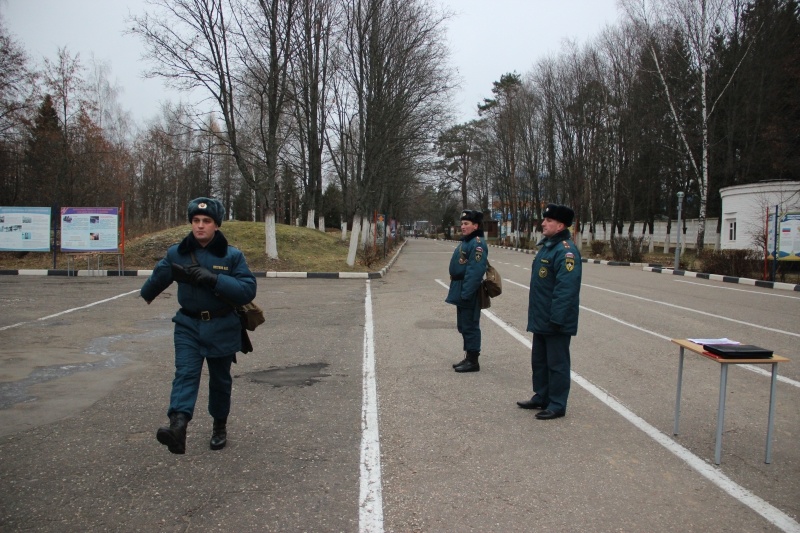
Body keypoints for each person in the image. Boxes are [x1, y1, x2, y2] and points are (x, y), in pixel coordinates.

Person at [141, 197, 256, 454]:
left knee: (219, 381)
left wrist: (215, 279)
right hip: (188, 325)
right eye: (196, 221)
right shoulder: (177, 252)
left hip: (222, 325)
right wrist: (147, 293)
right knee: (185, 373)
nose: (200, 226)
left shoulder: (231, 255)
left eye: (206, 221)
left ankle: (219, 425)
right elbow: (160, 275)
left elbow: (248, 290)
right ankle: (178, 427)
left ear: (217, 225)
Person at [517, 203, 582, 420]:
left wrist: (557, 319)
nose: (543, 223)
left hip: (555, 320)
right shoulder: (547, 246)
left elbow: (566, 290)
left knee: (557, 363)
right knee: (540, 361)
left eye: (549, 221)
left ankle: (557, 403)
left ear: (561, 225)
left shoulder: (566, 251)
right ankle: (542, 396)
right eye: (544, 220)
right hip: (542, 317)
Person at [446, 209, 488, 373]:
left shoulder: (477, 243)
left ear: (475, 225)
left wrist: (466, 293)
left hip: (468, 290)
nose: (462, 226)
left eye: (466, 223)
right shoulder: (467, 241)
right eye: (462, 223)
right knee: (464, 325)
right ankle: (468, 356)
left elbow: (475, 271)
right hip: (460, 287)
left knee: (470, 325)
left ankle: (473, 361)